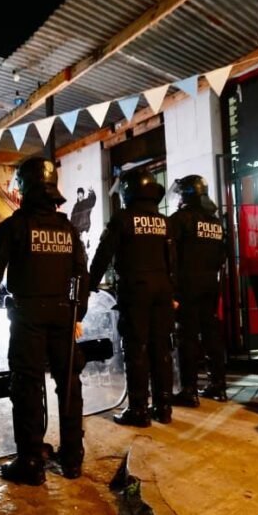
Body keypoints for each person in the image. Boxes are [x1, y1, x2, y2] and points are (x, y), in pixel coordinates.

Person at [0, 157, 89, 486]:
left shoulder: (14, 226)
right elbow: (81, 273)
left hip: (27, 317)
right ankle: (72, 458)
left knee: (27, 387)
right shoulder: (68, 229)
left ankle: (31, 461)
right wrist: (77, 314)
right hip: (62, 315)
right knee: (70, 384)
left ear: (24, 188)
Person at [89, 169, 175, 427]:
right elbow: (173, 260)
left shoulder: (123, 219)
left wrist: (89, 284)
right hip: (163, 289)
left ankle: (139, 410)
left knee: (136, 349)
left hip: (135, 289)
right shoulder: (164, 222)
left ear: (129, 192)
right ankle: (164, 407)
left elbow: (103, 254)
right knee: (161, 348)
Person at [168, 174, 227, 405]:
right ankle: (218, 386)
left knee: (188, 337)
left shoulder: (180, 219)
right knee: (212, 335)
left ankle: (189, 390)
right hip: (211, 284)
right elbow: (222, 255)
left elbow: (170, 255)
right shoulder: (215, 222)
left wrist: (172, 288)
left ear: (187, 194)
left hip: (187, 286)